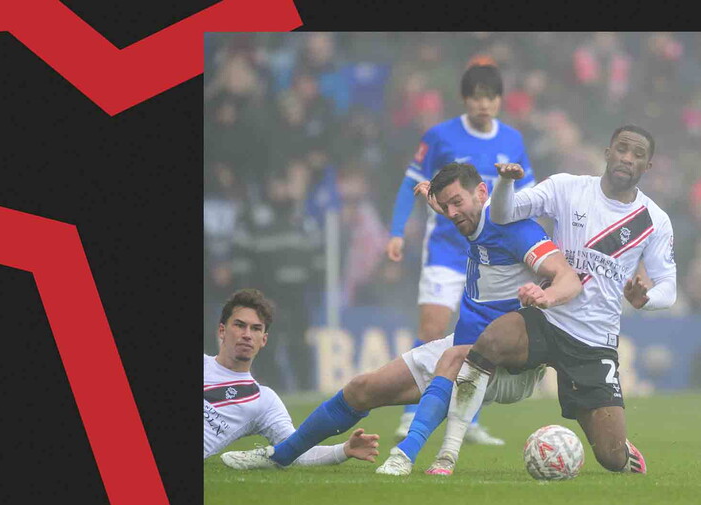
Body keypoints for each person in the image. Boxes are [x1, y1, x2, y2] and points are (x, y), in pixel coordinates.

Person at [220, 163, 581, 473]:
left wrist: (544, 296)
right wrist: (440, 204)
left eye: (458, 202)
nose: (453, 213)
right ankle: (279, 457)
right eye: (446, 206)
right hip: (463, 344)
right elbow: (465, 215)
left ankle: (404, 455)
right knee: (362, 389)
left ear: (483, 192)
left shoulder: (519, 229)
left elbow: (566, 276)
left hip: (507, 362)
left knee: (452, 358)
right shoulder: (469, 220)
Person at [399, 125, 677, 475]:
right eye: (622, 149)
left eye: (638, 154)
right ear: (607, 152)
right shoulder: (567, 188)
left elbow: (669, 286)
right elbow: (502, 213)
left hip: (594, 340)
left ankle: (622, 454)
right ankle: (447, 455)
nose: (627, 158)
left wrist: (647, 298)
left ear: (647, 167)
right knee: (490, 341)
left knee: (610, 456)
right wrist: (504, 184)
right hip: (548, 316)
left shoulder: (655, 221)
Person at [386, 63, 536, 444]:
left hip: (493, 256)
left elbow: (529, 196)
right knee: (433, 330)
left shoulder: (513, 139)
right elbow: (410, 183)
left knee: (485, 338)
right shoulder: (440, 136)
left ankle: (469, 420)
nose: (484, 104)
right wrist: (396, 232)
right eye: (477, 97)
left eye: (491, 97)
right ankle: (411, 414)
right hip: (446, 252)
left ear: (500, 100)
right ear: (465, 100)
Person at [205, 288, 380, 466]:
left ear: (264, 340)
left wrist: (343, 450)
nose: (247, 335)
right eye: (239, 325)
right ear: (221, 331)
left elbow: (296, 450)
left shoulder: (263, 400)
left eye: (256, 329)